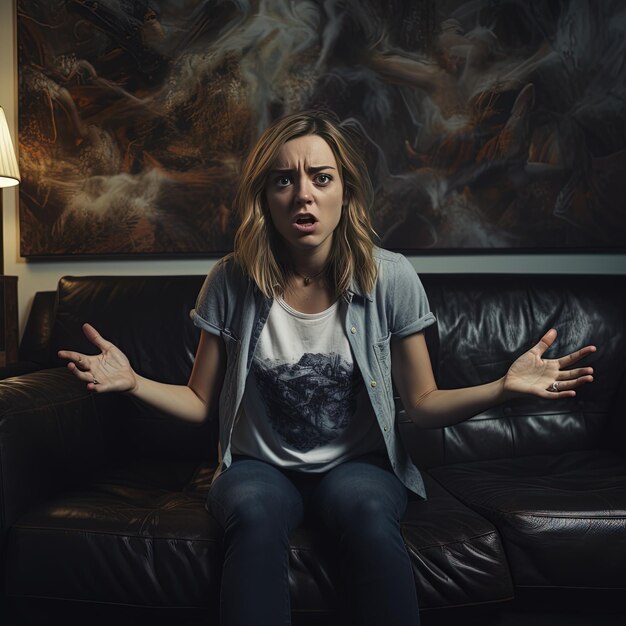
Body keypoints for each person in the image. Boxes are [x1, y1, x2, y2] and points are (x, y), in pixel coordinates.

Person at [58, 110, 596, 626]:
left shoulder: (392, 278)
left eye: (321, 177)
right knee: (255, 515)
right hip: (257, 469)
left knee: (365, 510)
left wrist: (502, 388)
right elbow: (199, 402)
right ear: (264, 198)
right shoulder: (230, 280)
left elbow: (424, 405)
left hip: (359, 466)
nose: (304, 194)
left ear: (346, 192)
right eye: (284, 181)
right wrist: (133, 382)